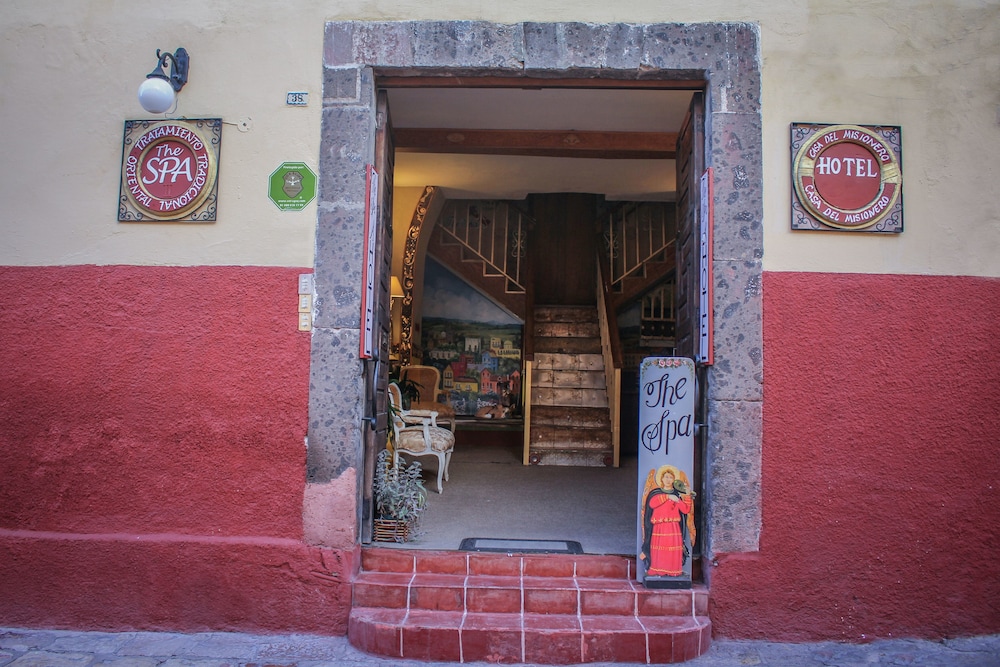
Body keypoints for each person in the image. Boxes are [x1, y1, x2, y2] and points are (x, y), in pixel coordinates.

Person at [640, 464, 695, 577]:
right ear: (661, 479)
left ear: (674, 480)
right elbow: (652, 503)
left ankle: (673, 570)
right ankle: (657, 569)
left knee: (672, 549)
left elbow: (685, 509)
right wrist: (667, 497)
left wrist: (688, 496)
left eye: (670, 477)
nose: (668, 480)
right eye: (666, 477)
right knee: (658, 548)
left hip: (673, 527)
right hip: (659, 527)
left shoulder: (676, 495)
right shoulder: (656, 493)